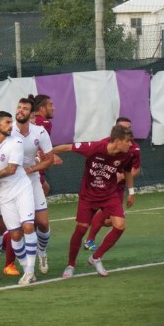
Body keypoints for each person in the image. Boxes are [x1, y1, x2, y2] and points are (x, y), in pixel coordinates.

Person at [55, 125, 135, 278]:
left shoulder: (127, 155)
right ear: (117, 141)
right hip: (88, 195)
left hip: (109, 195)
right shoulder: (95, 147)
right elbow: (67, 147)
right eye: (127, 141)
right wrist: (47, 154)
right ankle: (70, 264)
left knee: (120, 225)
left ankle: (96, 257)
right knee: (81, 229)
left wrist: (131, 192)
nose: (130, 144)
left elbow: (127, 171)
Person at [0, 111, 38, 285]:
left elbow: (11, 169)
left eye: (11, 122)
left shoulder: (16, 141)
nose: (11, 125)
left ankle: (30, 271)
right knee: (15, 234)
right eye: (7, 122)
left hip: (21, 189)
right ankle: (23, 268)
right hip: (3, 194)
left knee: (28, 226)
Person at [84, 117, 141, 251]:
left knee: (112, 220)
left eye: (129, 128)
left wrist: (123, 178)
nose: (128, 130)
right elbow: (93, 160)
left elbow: (136, 169)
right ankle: (89, 240)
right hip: (104, 186)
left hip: (119, 187)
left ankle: (91, 224)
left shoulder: (135, 148)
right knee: (109, 214)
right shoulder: (104, 143)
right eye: (125, 128)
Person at [12, 98, 54, 275]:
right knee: (15, 230)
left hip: (33, 180)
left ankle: (42, 252)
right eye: (19, 107)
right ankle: (19, 267)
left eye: (25, 108)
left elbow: (50, 159)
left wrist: (32, 169)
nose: (21, 110)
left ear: (31, 114)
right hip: (12, 183)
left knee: (43, 223)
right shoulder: (8, 130)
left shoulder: (40, 131)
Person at [32, 94, 62, 196]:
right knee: (43, 190)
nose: (53, 108)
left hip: (31, 164)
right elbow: (38, 145)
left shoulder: (31, 121)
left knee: (44, 189)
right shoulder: (45, 123)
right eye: (50, 105)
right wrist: (51, 155)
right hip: (33, 166)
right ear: (42, 108)